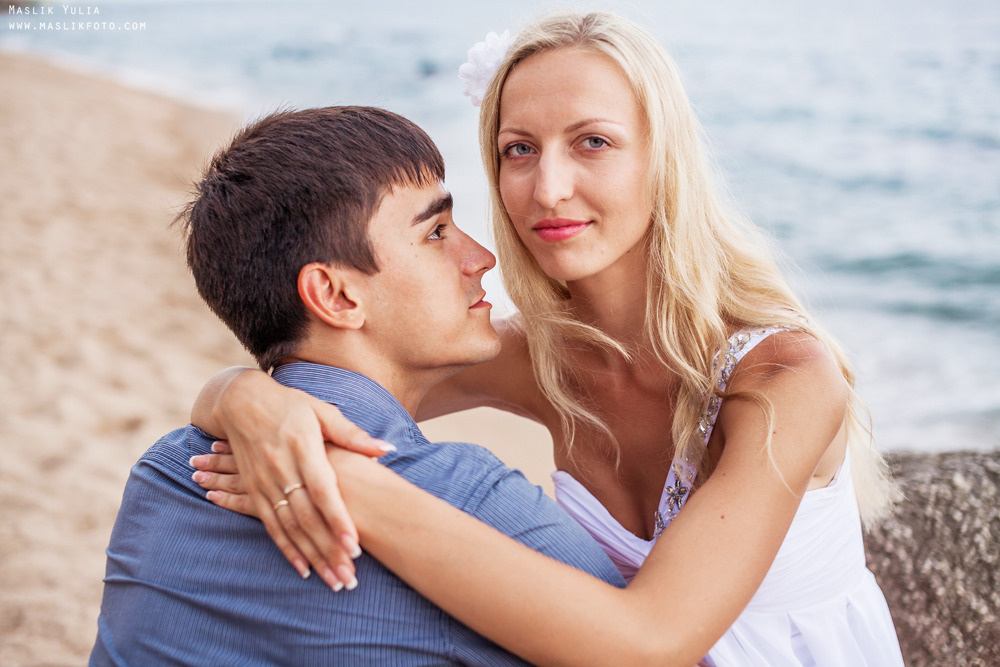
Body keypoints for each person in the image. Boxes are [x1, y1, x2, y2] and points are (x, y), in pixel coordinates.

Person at [191, 11, 905, 666]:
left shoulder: (784, 376)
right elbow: (339, 375)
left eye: (592, 142)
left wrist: (353, 488)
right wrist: (243, 397)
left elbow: (651, 639)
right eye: (520, 149)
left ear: (664, 159)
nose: (549, 187)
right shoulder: (533, 360)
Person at [90, 106, 627, 666]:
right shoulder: (469, 500)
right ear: (337, 296)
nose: (480, 258)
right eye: (436, 232)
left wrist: (232, 390)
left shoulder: (163, 476)